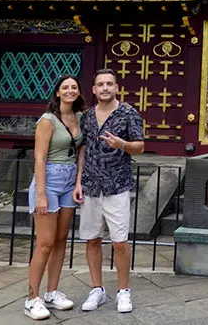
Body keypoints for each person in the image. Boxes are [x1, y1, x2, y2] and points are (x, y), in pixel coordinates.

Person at [77, 68, 145, 314]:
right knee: (92, 239)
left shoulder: (128, 114)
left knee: (119, 242)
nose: (105, 88)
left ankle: (123, 291)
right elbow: (82, 149)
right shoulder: (86, 117)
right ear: (94, 89)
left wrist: (122, 144)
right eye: (100, 84)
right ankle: (97, 289)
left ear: (117, 87)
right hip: (91, 186)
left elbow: (140, 146)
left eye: (109, 84)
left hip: (117, 186)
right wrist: (78, 182)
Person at [23, 75, 85, 321]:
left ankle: (51, 292)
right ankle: (31, 297)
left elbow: (81, 152)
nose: (70, 91)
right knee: (45, 242)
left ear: (79, 92)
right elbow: (39, 157)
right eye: (65, 88)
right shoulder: (47, 121)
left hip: (69, 181)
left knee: (61, 241)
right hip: (48, 180)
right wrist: (40, 194)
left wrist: (79, 181)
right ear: (57, 93)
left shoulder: (79, 118)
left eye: (74, 87)